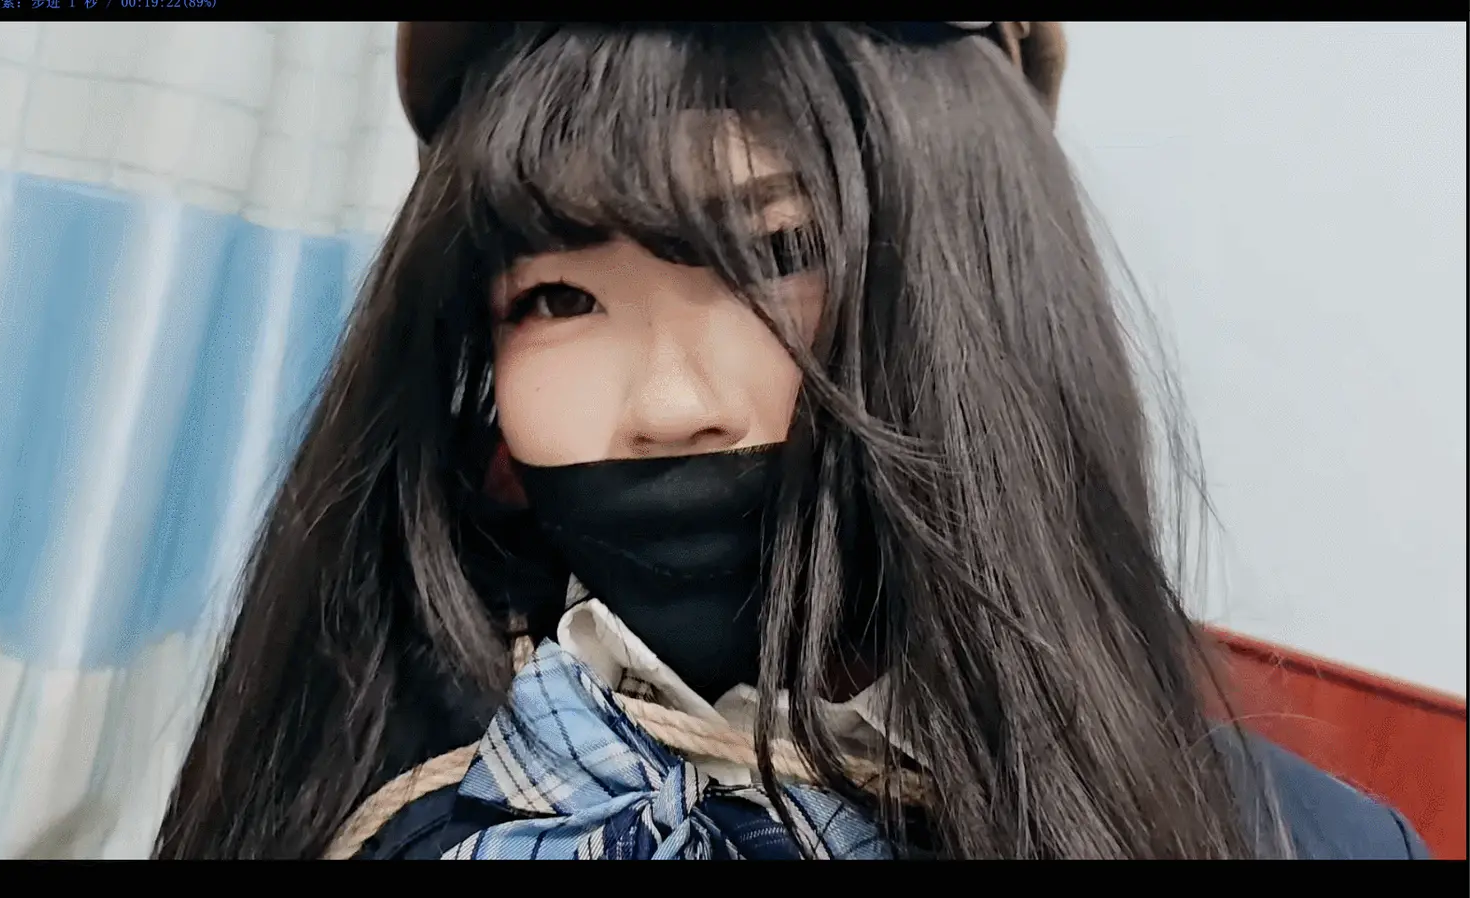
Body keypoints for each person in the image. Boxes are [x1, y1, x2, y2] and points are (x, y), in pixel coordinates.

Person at [151, 22, 1431, 860]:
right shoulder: (374, 807)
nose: (669, 404)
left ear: (981, 297)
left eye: (776, 254)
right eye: (557, 299)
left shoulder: (1311, 843)